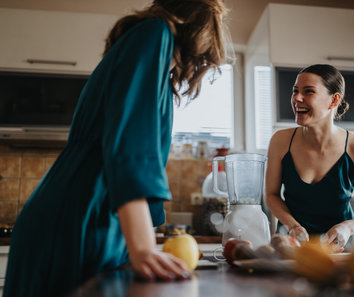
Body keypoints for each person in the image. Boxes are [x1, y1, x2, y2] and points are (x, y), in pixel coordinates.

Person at [4, 1, 231, 296]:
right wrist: (141, 248)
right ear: (200, 27)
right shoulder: (156, 33)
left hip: (93, 215)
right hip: (80, 213)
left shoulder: (155, 57)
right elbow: (130, 147)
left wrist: (142, 241)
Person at [265, 64, 354, 252]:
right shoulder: (280, 141)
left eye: (308, 92)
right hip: (291, 248)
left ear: (334, 100)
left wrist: (347, 228)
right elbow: (271, 195)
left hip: (341, 251)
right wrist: (293, 226)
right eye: (295, 91)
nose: (297, 98)